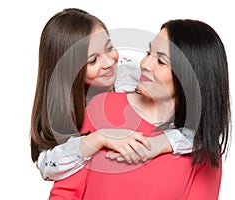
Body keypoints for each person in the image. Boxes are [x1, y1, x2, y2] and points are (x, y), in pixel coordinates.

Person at [49, 19, 231, 200]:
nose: (145, 64)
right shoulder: (103, 107)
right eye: (148, 52)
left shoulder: (204, 150)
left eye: (160, 61)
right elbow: (65, 192)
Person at [30, 8, 194, 181]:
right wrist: (99, 138)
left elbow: (205, 130)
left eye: (109, 48)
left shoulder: (133, 74)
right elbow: (48, 167)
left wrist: (160, 144)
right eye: (92, 60)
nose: (109, 62)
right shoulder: (59, 106)